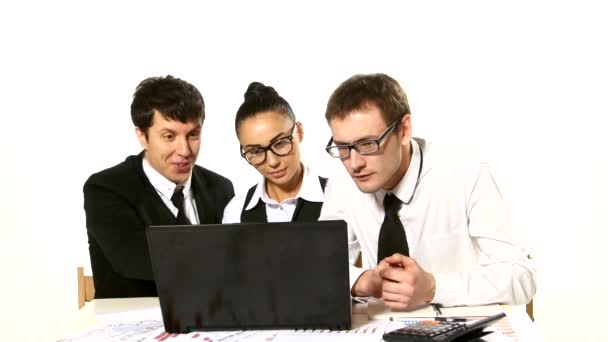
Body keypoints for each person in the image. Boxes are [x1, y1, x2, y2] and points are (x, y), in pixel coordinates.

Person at [319, 73, 536, 309]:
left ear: (404, 130)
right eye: (342, 148)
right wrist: (363, 281)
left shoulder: (466, 173)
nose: (354, 163)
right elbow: (319, 266)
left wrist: (434, 287)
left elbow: (521, 276)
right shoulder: (342, 184)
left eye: (367, 144)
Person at [84, 75, 234, 298]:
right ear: (142, 136)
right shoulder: (106, 189)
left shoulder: (220, 188)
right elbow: (135, 261)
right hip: (136, 323)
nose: (184, 150)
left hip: (210, 319)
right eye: (169, 136)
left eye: (193, 134)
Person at [222, 82, 325, 223]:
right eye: (256, 151)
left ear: (299, 132)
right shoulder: (236, 212)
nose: (273, 162)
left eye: (280, 143)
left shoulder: (339, 198)